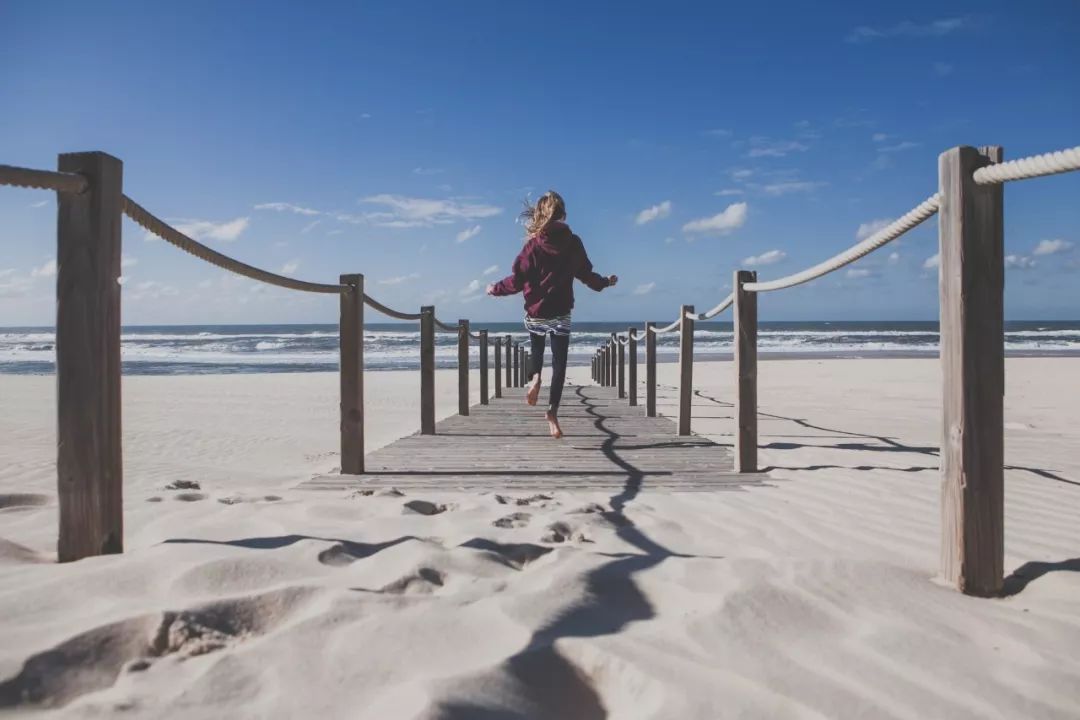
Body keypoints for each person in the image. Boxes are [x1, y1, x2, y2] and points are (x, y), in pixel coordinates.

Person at [486, 191, 617, 438]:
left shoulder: (533, 246)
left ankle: (535, 377)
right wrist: (605, 283)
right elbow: (586, 275)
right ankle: (552, 412)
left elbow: (517, 280)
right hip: (561, 311)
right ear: (563, 215)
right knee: (559, 364)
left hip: (536, 311)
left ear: (539, 215)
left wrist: (495, 289)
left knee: (537, 351)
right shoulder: (574, 242)